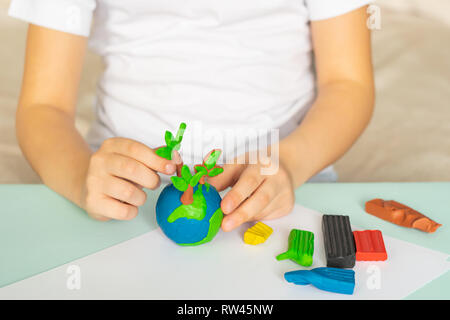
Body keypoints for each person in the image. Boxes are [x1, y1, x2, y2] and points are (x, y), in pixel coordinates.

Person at [9, 0, 375, 231]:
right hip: (121, 196)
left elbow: (348, 84)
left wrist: (290, 163)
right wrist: (79, 177)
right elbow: (43, 107)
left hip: (286, 186)